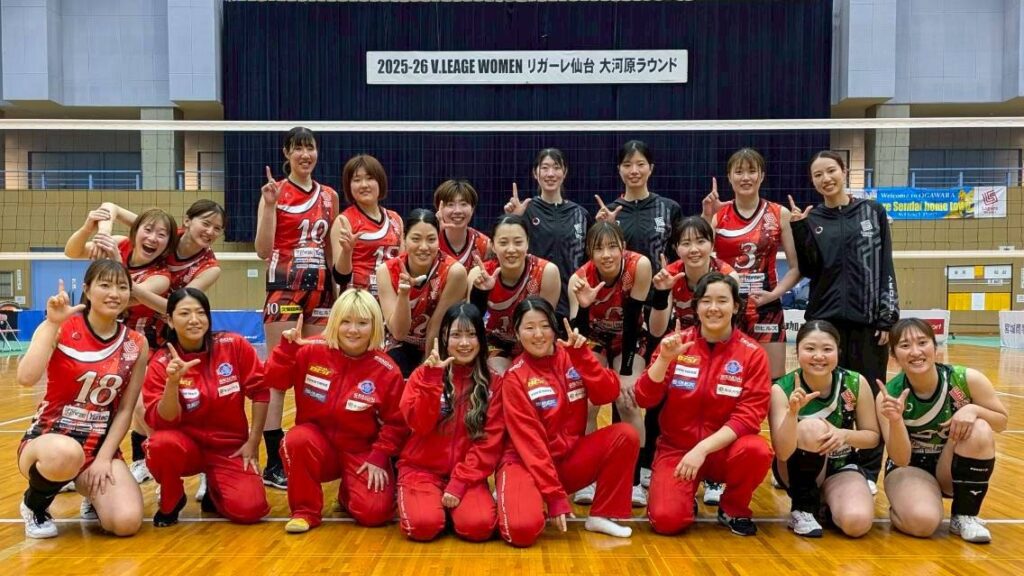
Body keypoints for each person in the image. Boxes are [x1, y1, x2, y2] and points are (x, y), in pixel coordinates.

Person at [90, 198, 226, 499]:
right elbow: (111, 207)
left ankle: (206, 466)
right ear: (187, 221)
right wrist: (104, 233)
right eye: (206, 223)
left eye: (217, 228)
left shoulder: (209, 267)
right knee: (136, 401)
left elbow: (176, 307)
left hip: (179, 333)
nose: (210, 231)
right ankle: (141, 459)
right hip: (141, 330)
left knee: (185, 400)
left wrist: (126, 282)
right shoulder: (163, 233)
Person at [790, 150, 899, 489]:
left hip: (867, 321)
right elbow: (810, 269)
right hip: (825, 323)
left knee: (870, 396)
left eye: (831, 171)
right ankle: (812, 462)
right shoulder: (812, 219)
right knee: (823, 393)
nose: (826, 179)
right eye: (818, 175)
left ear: (844, 171)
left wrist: (887, 315)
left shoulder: (872, 211)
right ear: (812, 182)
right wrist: (800, 229)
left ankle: (867, 471)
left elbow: (886, 264)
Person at [635, 272, 773, 537]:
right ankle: (684, 500)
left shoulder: (752, 354)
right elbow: (644, 398)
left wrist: (702, 449)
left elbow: (748, 417)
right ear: (696, 307)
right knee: (666, 521)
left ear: (736, 307)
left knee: (756, 450)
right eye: (706, 301)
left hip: (724, 450)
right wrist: (663, 360)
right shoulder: (676, 344)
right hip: (677, 449)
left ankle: (733, 507)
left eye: (722, 300)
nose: (713, 308)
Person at [15, 261, 146, 539]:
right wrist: (51, 323)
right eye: (105, 285)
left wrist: (103, 459)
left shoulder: (135, 342)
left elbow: (125, 410)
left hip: (97, 448)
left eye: (122, 287)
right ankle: (34, 505)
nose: (114, 293)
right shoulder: (62, 326)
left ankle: (93, 497)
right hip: (49, 443)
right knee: (67, 454)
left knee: (126, 522)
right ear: (87, 289)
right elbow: (26, 377)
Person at [497, 297, 638, 547]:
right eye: (529, 328)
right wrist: (554, 497)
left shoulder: (573, 355)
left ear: (554, 329)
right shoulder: (515, 378)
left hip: (567, 460)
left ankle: (601, 515)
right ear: (517, 334)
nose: (538, 334)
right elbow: (531, 444)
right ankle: (516, 494)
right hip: (524, 463)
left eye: (545, 326)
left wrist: (583, 357)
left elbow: (607, 393)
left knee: (625, 435)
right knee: (522, 531)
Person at [265, 288, 408, 533]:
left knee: (375, 514)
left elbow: (397, 423)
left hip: (360, 451)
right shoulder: (308, 349)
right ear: (334, 323)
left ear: (374, 325)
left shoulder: (387, 369)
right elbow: (275, 381)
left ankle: (348, 493)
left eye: (362, 323)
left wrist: (379, 456)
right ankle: (305, 511)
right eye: (345, 321)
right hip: (317, 446)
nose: (353, 330)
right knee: (296, 440)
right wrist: (286, 351)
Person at [64, 206, 177, 485]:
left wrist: (114, 262)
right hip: (98, 340)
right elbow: (72, 251)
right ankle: (72, 464)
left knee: (139, 407)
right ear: (135, 232)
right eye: (148, 230)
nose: (152, 238)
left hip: (140, 345)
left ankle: (164, 463)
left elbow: (126, 297)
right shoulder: (119, 243)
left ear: (167, 245)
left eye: (161, 234)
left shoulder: (161, 275)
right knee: (81, 402)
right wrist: (92, 227)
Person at [255, 126, 340, 490]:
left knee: (316, 372)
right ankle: (273, 462)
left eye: (311, 148)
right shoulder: (274, 192)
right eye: (299, 148)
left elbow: (332, 250)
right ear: (286, 153)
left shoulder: (330, 196)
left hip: (321, 291)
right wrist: (270, 206)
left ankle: (309, 450)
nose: (306, 155)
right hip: (285, 289)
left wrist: (338, 292)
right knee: (278, 377)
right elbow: (262, 250)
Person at [143, 288, 270, 526]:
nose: (194, 320)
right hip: (185, 447)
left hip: (228, 448)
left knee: (251, 510)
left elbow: (261, 391)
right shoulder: (161, 363)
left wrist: (253, 442)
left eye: (200, 313)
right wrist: (173, 383)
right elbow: (163, 421)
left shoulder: (234, 345)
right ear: (169, 320)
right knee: (159, 444)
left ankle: (215, 489)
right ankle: (172, 497)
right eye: (184, 313)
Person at [878, 318, 1008, 544]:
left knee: (980, 428)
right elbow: (901, 459)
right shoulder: (888, 396)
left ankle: (965, 515)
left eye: (922, 342)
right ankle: (906, 505)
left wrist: (973, 409)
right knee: (923, 523)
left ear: (935, 347)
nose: (915, 352)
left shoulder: (966, 379)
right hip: (911, 467)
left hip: (952, 462)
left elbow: (1001, 423)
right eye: (905, 345)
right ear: (894, 356)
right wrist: (896, 420)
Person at [644, 216, 739, 500]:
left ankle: (715, 477)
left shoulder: (727, 275)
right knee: (658, 399)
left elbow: (732, 327)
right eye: (685, 243)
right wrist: (661, 294)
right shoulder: (669, 275)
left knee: (718, 400)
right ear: (676, 248)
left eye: (700, 241)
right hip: (678, 348)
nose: (694, 249)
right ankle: (655, 464)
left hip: (716, 348)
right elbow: (656, 330)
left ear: (712, 244)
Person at [397, 303, 505, 542]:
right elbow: (419, 426)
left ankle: (449, 508)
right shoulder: (422, 375)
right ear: (444, 338)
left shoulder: (494, 383)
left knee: (479, 527)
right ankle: (433, 507)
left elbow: (489, 443)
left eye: (471, 334)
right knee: (423, 526)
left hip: (467, 475)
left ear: (481, 339)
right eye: (456, 335)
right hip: (420, 471)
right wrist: (432, 380)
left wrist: (459, 482)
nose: (464, 343)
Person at [768, 320, 879, 538]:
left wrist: (844, 435)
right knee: (812, 427)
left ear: (838, 352)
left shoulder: (855, 382)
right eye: (810, 349)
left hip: (841, 466)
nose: (819, 356)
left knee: (857, 523)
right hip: (793, 470)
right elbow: (782, 452)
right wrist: (792, 414)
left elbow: (873, 437)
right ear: (797, 351)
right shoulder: (781, 389)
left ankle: (825, 504)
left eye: (827, 349)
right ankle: (803, 507)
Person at [568, 222, 652, 507]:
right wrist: (584, 305)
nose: (606, 254)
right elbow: (578, 333)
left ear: (623, 248)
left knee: (628, 401)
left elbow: (633, 321)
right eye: (598, 248)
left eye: (612, 246)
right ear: (589, 252)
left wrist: (625, 373)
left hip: (630, 337)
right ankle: (587, 478)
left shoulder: (639, 266)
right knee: (587, 403)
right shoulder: (580, 278)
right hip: (595, 337)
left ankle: (634, 481)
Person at [704, 148, 801, 380]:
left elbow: (796, 267)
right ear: (729, 177)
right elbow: (698, 257)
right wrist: (706, 217)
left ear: (762, 175)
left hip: (766, 308)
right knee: (725, 379)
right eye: (739, 172)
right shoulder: (718, 215)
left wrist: (774, 295)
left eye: (751, 171)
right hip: (727, 307)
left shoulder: (779, 213)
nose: (745, 177)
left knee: (773, 381)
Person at [377, 209, 468, 377]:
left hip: (439, 342)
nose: (424, 247)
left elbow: (436, 326)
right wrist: (404, 295)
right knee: (392, 371)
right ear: (404, 239)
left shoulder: (454, 272)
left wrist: (425, 371)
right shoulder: (386, 271)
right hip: (399, 342)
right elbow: (398, 332)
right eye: (416, 239)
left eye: (431, 239)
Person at [503, 148, 592, 321]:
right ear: (535, 173)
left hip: (573, 304)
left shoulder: (580, 214)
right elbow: (504, 249)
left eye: (556, 167)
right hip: (533, 303)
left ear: (564, 172)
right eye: (545, 168)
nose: (550, 174)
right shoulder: (525, 211)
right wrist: (513, 219)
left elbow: (591, 261)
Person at [467, 214, 561, 375]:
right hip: (495, 343)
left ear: (527, 243)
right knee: (501, 375)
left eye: (518, 242)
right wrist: (481, 293)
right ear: (493, 245)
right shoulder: (479, 274)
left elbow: (545, 326)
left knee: (533, 380)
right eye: (503, 243)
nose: (511, 249)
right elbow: (471, 324)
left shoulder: (547, 272)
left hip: (534, 341)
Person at [594, 140, 683, 276]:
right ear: (619, 170)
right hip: (621, 287)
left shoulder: (669, 209)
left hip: (661, 286)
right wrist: (606, 228)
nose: (634, 171)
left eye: (640, 164)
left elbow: (683, 250)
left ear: (650, 168)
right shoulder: (609, 213)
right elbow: (597, 259)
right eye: (627, 165)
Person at [331, 154, 403, 296]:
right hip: (357, 300)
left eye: (370, 178)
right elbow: (340, 278)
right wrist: (347, 251)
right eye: (357, 180)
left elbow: (403, 266)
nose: (364, 185)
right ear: (349, 186)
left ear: (380, 181)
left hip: (389, 299)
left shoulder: (395, 219)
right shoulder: (344, 221)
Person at [434, 179, 491, 267]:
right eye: (450, 204)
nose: (457, 211)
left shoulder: (485, 245)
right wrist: (435, 231)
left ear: (472, 209)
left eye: (463, 204)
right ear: (439, 209)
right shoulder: (430, 242)